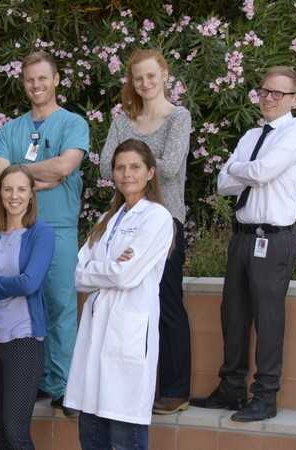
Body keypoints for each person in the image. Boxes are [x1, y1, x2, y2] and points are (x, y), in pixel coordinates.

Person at [194, 66, 296, 422]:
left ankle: (265, 396)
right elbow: (222, 184)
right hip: (243, 236)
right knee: (233, 314)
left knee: (268, 317)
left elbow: (261, 172)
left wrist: (239, 168)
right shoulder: (250, 135)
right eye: (264, 92)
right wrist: (245, 169)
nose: (269, 99)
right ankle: (231, 389)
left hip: (274, 239)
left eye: (278, 93)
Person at [0, 50, 89, 416]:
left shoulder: (73, 123)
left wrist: (19, 176)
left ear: (56, 79)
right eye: (30, 79)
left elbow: (66, 164)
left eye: (43, 78)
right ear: (24, 83)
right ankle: (32, 382)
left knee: (60, 305)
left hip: (58, 227)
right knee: (24, 306)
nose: (36, 85)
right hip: (17, 230)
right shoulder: (12, 129)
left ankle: (63, 386)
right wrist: (38, 178)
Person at [97, 49, 193, 414]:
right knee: (131, 306)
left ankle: (176, 388)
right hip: (128, 222)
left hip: (165, 221)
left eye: (151, 76)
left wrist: (131, 158)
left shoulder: (178, 117)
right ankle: (140, 385)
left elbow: (169, 170)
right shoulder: (123, 119)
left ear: (164, 74)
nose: (145, 83)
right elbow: (107, 167)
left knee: (167, 303)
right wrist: (141, 161)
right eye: (138, 78)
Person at [66, 139, 174, 450]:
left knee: (125, 436)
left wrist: (103, 269)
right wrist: (109, 267)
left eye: (135, 167)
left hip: (128, 334)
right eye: (120, 167)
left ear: (150, 172)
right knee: (92, 435)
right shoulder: (106, 220)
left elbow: (126, 275)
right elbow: (78, 274)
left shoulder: (157, 218)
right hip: (96, 335)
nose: (127, 174)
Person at [0, 165, 54, 450]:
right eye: (8, 189)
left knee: (15, 431)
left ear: (31, 195)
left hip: (23, 340)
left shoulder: (41, 233)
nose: (14, 196)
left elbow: (30, 283)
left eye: (21, 189)